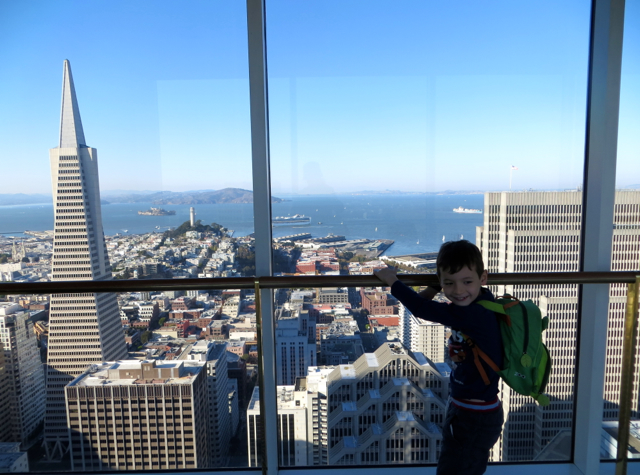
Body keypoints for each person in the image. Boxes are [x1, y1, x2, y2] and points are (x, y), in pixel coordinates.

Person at [374, 240, 503, 475]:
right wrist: (435, 288)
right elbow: (423, 306)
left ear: (483, 278)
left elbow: (421, 309)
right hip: (474, 410)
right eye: (449, 283)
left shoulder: (471, 314)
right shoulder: (483, 301)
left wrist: (392, 280)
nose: (458, 290)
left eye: (467, 282)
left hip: (472, 417)